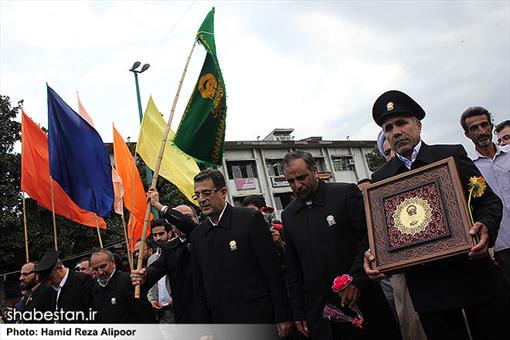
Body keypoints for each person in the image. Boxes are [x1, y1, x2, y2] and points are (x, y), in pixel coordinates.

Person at [364, 90, 507, 340]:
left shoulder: (451, 155)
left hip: (473, 277)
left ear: (417, 125)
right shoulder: (381, 179)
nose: (396, 132)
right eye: (388, 128)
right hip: (429, 291)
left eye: (401, 123)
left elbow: (488, 202)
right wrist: (375, 256)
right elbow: (382, 233)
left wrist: (485, 226)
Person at [281, 151, 402, 340]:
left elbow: (369, 238)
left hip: (362, 301)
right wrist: (298, 312)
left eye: (302, 178)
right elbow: (294, 268)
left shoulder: (344, 194)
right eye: (291, 181)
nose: (297, 185)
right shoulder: (289, 215)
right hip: (321, 313)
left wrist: (356, 280)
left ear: (315, 171)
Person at [189, 169, 291, 336]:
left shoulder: (249, 219)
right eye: (197, 195)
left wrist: (282, 315)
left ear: (223, 192)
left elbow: (272, 271)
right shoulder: (198, 235)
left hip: (257, 317)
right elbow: (199, 286)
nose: (201, 199)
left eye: (206, 193)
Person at [461, 106, 510, 290]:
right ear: (467, 134)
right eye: (474, 128)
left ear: (491, 126)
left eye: (484, 125)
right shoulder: (467, 167)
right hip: (500, 246)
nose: (481, 131)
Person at [132, 197, 200, 323]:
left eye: (187, 216)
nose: (183, 220)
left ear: (196, 219)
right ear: (172, 226)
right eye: (178, 217)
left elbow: (188, 225)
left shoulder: (203, 237)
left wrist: (158, 205)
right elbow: (156, 269)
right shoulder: (170, 249)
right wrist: (143, 275)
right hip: (184, 316)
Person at [90, 249, 155, 323]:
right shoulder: (94, 286)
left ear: (113, 263)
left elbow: (145, 313)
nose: (100, 272)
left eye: (103, 266)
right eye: (95, 269)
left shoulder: (128, 281)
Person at [34, 249, 96, 323]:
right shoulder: (50, 289)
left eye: (51, 277)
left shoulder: (82, 281)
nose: (50, 281)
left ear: (59, 268)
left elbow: (92, 314)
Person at [147, 218, 175, 323]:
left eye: (161, 234)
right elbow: (152, 282)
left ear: (169, 233)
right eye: (155, 235)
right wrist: (152, 299)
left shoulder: (178, 252)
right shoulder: (152, 259)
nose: (158, 238)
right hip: (161, 312)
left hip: (179, 307)